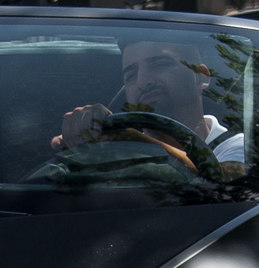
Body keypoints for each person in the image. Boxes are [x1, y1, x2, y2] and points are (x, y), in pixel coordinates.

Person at [52, 39, 247, 172]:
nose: (142, 82)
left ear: (200, 76)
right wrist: (83, 147)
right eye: (130, 75)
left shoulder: (237, 147)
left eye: (159, 64)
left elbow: (221, 191)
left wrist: (122, 142)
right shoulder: (111, 152)